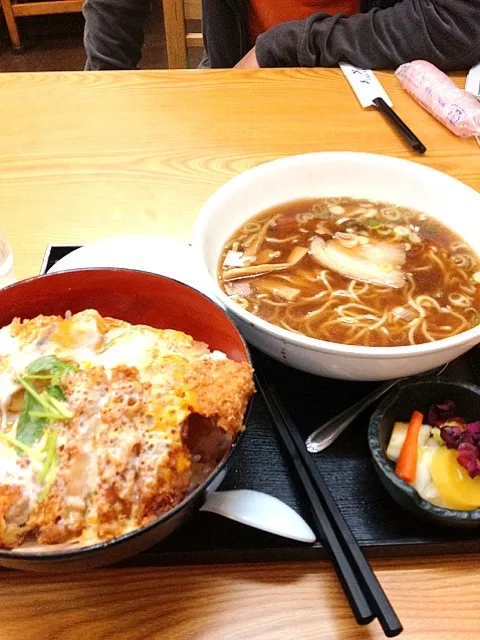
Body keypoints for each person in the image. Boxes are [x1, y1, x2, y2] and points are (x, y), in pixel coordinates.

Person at [83, 0, 480, 72]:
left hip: (383, 75)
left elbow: (459, 22)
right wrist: (104, 85)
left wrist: (286, 44)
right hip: (239, 74)